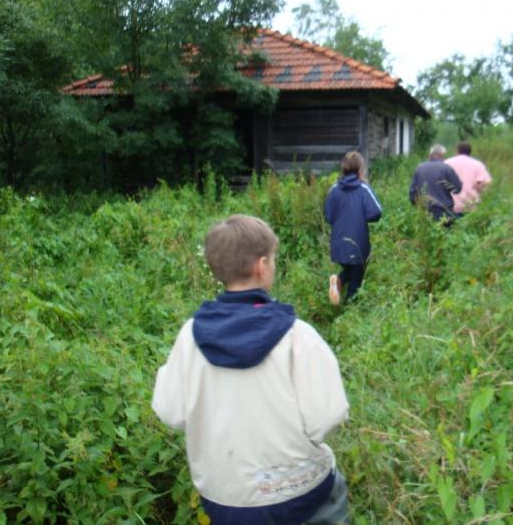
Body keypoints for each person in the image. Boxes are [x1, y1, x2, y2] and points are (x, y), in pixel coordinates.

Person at [151, 215, 350, 524]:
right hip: (300, 494)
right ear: (261, 266)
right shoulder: (297, 336)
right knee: (331, 491)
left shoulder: (190, 337)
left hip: (226, 498)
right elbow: (327, 415)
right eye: (272, 260)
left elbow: (169, 410)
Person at [324, 151, 382, 305]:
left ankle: (338, 281)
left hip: (338, 244)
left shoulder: (334, 189)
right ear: (360, 169)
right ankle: (349, 313)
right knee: (356, 281)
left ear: (343, 169)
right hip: (358, 243)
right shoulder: (363, 188)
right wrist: (362, 217)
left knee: (351, 270)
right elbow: (377, 212)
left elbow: (328, 216)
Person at [409, 144, 463, 223]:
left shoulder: (420, 168)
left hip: (424, 212)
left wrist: (418, 206)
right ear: (442, 155)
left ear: (430, 155)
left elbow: (412, 193)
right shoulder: (446, 168)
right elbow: (458, 189)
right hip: (444, 212)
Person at [445, 141, 492, 214]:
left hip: (451, 207)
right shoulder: (478, 164)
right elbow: (486, 184)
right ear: (470, 152)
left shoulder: (447, 163)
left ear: (457, 151)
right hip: (471, 207)